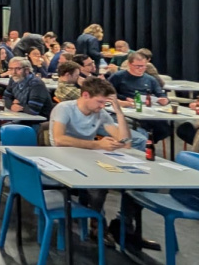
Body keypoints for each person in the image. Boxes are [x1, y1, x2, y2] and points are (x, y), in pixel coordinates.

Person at [49, 76, 156, 250]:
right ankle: (97, 225)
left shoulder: (101, 113)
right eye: (99, 102)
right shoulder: (64, 108)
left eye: (105, 103)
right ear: (85, 95)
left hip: (89, 157)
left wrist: (119, 112)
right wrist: (97, 145)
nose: (102, 106)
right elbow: (59, 139)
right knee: (98, 184)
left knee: (141, 183)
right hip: (62, 158)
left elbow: (126, 142)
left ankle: (123, 224)